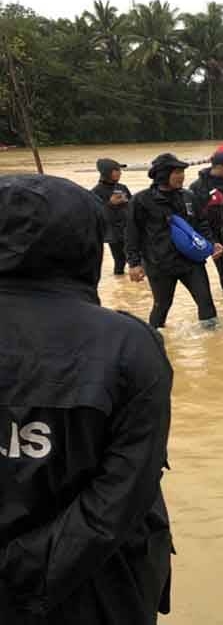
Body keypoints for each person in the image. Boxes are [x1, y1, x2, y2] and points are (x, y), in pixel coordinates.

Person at [0, 174, 174, 624]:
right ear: (87, 243)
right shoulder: (128, 344)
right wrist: (26, 569)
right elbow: (124, 491)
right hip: (100, 586)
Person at [125, 153, 223, 329]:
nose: (181, 176)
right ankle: (155, 337)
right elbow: (132, 233)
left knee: (206, 301)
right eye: (176, 172)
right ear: (162, 175)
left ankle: (213, 340)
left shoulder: (188, 196)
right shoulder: (141, 200)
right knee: (162, 305)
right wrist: (134, 263)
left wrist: (212, 243)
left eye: (182, 172)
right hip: (159, 263)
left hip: (191, 261)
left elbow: (201, 223)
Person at [189, 151, 223, 292]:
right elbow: (194, 217)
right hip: (213, 235)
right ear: (220, 167)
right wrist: (208, 240)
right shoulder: (197, 187)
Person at [91, 157, 132, 276]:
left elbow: (133, 207)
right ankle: (120, 282)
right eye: (116, 170)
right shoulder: (96, 192)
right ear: (106, 172)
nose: (120, 173)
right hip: (113, 233)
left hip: (128, 229)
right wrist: (110, 204)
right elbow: (95, 214)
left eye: (119, 170)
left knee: (137, 259)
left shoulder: (122, 187)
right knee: (120, 262)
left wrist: (128, 203)